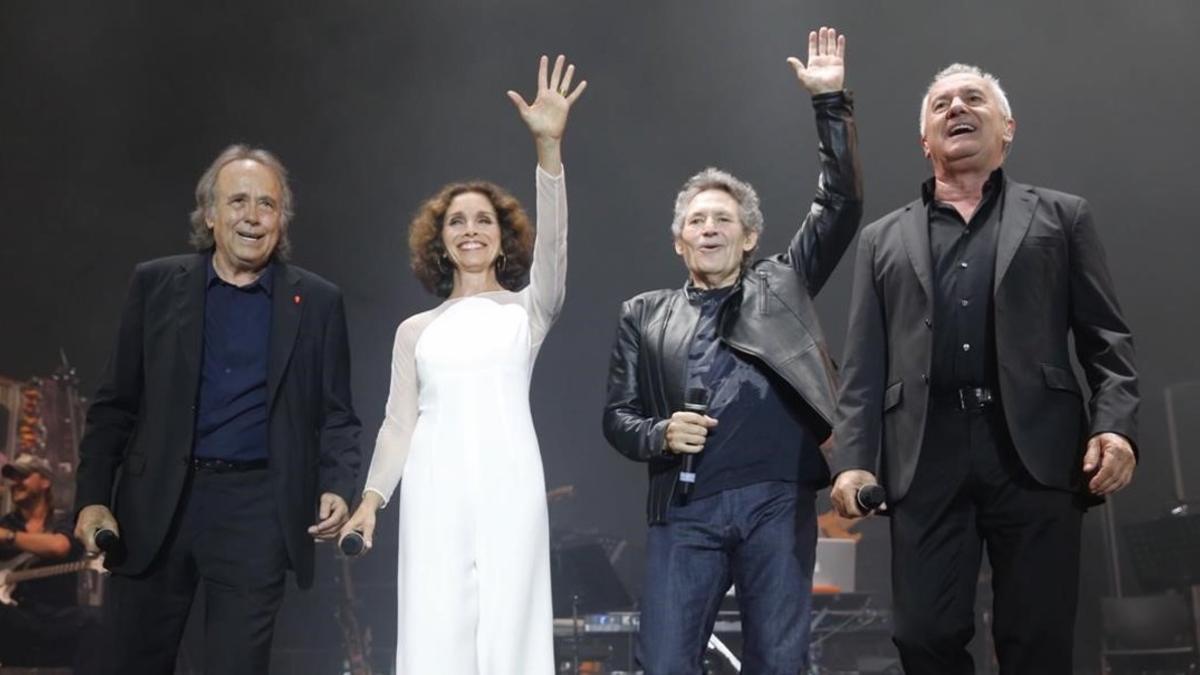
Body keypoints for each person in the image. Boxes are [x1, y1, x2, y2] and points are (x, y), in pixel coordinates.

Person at [830, 63, 1138, 674]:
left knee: (1039, 637)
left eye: (973, 99)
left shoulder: (1061, 217)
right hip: (924, 452)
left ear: (1007, 129)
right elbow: (864, 364)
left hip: (1036, 451)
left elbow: (1106, 337)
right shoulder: (882, 239)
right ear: (925, 140)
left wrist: (1117, 426)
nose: (956, 109)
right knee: (922, 635)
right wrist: (853, 461)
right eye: (941, 104)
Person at [602, 28, 861, 674]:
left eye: (723, 219)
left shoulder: (782, 281)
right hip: (684, 508)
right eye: (696, 220)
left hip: (776, 499)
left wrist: (829, 104)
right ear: (678, 242)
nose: (709, 226)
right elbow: (617, 417)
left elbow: (841, 204)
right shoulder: (643, 314)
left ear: (749, 238)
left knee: (779, 660)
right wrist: (662, 431)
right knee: (664, 662)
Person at [73, 145, 362, 674]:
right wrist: (92, 498)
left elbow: (338, 415)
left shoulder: (318, 302)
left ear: (282, 219)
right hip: (157, 502)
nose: (252, 217)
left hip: (257, 512)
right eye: (238, 202)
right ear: (209, 213)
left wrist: (337, 486)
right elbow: (114, 404)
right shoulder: (156, 285)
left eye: (267, 205)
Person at [340, 55, 586, 674]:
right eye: (457, 221)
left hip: (511, 485)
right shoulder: (415, 331)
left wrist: (548, 151)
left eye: (483, 220)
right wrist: (371, 500)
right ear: (440, 240)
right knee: (434, 628)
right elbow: (398, 425)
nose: (470, 230)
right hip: (432, 491)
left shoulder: (528, 311)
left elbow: (555, 250)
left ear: (503, 237)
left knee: (511, 631)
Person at [0, 454, 98, 670]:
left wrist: (9, 537)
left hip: (58, 621)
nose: (16, 482)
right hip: (13, 623)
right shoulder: (6, 523)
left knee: (98, 622)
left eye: (23, 476)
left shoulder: (66, 521)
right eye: (12, 477)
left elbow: (60, 547)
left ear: (45, 482)